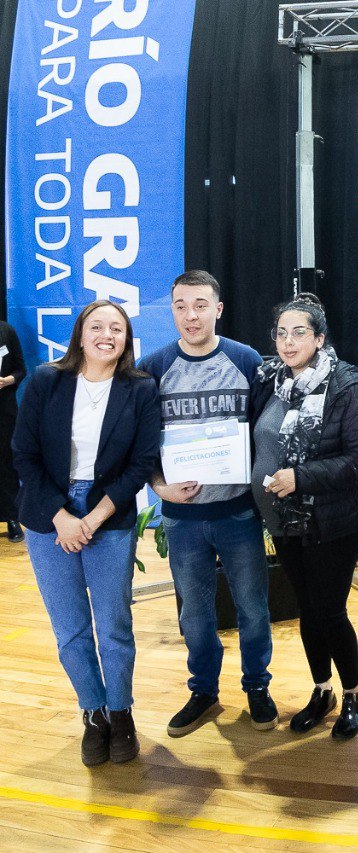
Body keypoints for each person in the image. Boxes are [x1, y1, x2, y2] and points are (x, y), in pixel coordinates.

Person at [13, 300, 161, 765]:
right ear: (80, 335)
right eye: (96, 326)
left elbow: (140, 464)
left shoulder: (139, 390)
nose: (106, 334)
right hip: (47, 517)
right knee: (70, 630)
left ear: (126, 340)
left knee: (114, 626)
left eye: (116, 328)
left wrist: (92, 519)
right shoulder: (45, 381)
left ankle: (122, 715)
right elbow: (24, 456)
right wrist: (61, 517)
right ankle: (93, 713)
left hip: (108, 516)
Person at [138, 270, 277, 737]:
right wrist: (159, 488)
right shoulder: (153, 366)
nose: (191, 315)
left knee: (254, 609)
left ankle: (257, 687)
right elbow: (141, 445)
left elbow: (266, 435)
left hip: (237, 513)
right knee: (194, 614)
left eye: (200, 305)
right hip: (182, 519)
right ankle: (203, 691)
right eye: (181, 305)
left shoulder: (246, 360)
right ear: (172, 310)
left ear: (218, 309)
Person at [250, 293, 358, 739]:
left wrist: (300, 478)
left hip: (333, 520)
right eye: (281, 333)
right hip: (283, 520)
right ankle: (321, 690)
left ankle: (354, 693)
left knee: (329, 611)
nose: (287, 342)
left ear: (320, 338)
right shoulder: (270, 379)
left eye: (299, 332)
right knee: (308, 610)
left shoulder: (349, 388)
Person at [0, 318, 27, 541]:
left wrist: (6, 380)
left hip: (4, 411)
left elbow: (20, 370)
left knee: (6, 464)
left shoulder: (6, 331)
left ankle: (11, 518)